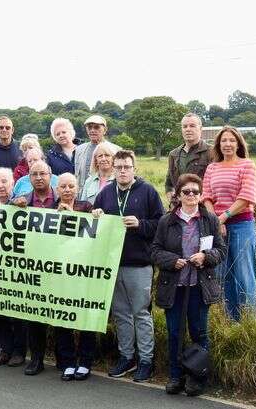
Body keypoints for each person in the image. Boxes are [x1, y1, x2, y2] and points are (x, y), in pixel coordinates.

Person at [151, 173, 226, 396]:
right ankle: (176, 376)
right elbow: (155, 251)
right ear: (178, 195)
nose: (191, 195)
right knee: (175, 333)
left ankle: (197, 377)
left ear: (201, 195)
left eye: (195, 191)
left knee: (199, 333)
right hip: (174, 286)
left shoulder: (210, 219)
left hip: (199, 286)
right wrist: (172, 261)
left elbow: (221, 250)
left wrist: (205, 257)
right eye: (186, 191)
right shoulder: (167, 221)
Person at [92, 150, 164, 382]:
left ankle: (146, 360)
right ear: (113, 169)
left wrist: (141, 224)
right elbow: (95, 226)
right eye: (119, 167)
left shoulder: (148, 191)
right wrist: (96, 215)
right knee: (121, 314)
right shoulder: (105, 193)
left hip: (139, 263)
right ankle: (127, 356)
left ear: (135, 168)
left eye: (127, 167)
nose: (123, 171)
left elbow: (161, 224)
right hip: (113, 264)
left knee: (141, 313)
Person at [202, 126, 256, 322]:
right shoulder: (212, 168)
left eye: (232, 140)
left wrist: (222, 217)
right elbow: (207, 197)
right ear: (218, 144)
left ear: (238, 144)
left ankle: (250, 322)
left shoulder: (247, 165)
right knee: (223, 275)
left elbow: (246, 196)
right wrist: (215, 222)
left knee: (244, 274)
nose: (227, 144)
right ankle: (231, 321)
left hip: (242, 225)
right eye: (223, 140)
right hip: (218, 226)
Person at [11, 161, 58, 375]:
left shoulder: (61, 200)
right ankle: (36, 358)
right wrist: (13, 206)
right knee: (33, 317)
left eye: (42, 173)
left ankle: (63, 359)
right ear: (29, 178)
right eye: (34, 174)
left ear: (50, 175)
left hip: (57, 266)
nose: (39, 177)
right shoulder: (21, 202)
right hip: (31, 266)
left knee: (59, 315)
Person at [51, 173, 96, 381]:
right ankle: (68, 362)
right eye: (63, 186)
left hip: (83, 273)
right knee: (62, 319)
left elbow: (95, 234)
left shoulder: (86, 207)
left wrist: (76, 215)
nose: (67, 190)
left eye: (71, 186)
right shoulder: (50, 210)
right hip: (59, 273)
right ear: (57, 189)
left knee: (84, 318)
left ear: (77, 188)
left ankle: (85, 362)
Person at [0, 168, 28, 367]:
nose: (1, 185)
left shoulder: (22, 203)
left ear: (12, 183)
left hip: (16, 267)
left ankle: (19, 352)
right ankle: (5, 350)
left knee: (16, 313)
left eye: (4, 181)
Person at [165, 113, 212, 206]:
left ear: (200, 129)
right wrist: (174, 203)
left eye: (192, 126)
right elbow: (169, 184)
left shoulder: (212, 152)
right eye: (185, 126)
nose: (188, 129)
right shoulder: (173, 154)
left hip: (204, 208)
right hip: (180, 209)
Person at [74, 114, 120, 192]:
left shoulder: (116, 150)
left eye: (96, 127)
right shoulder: (79, 149)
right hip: (82, 196)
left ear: (105, 130)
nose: (92, 130)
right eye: (89, 127)